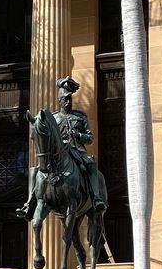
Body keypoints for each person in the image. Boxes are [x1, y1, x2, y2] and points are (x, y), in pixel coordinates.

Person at [16, 76, 107, 219]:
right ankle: (29, 203)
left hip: (77, 151)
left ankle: (96, 198)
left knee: (91, 166)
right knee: (34, 171)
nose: (68, 102)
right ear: (59, 101)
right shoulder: (54, 118)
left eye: (69, 99)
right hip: (58, 154)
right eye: (65, 99)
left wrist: (78, 135)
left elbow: (90, 138)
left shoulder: (80, 116)